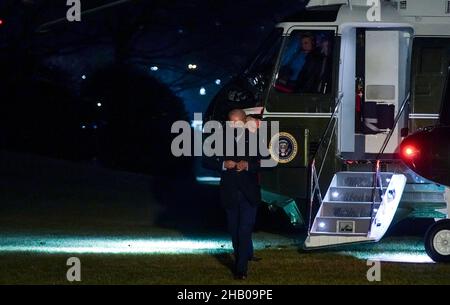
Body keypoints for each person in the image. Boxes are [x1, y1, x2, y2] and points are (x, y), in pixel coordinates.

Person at [202, 109, 262, 280]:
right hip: (229, 192)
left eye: (238, 122)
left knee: (244, 229)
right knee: (235, 230)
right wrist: (223, 164)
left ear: (244, 122)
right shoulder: (220, 138)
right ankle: (244, 255)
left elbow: (269, 162)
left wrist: (248, 166)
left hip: (249, 193)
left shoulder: (255, 139)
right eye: (231, 122)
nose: (234, 126)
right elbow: (206, 160)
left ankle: (240, 268)